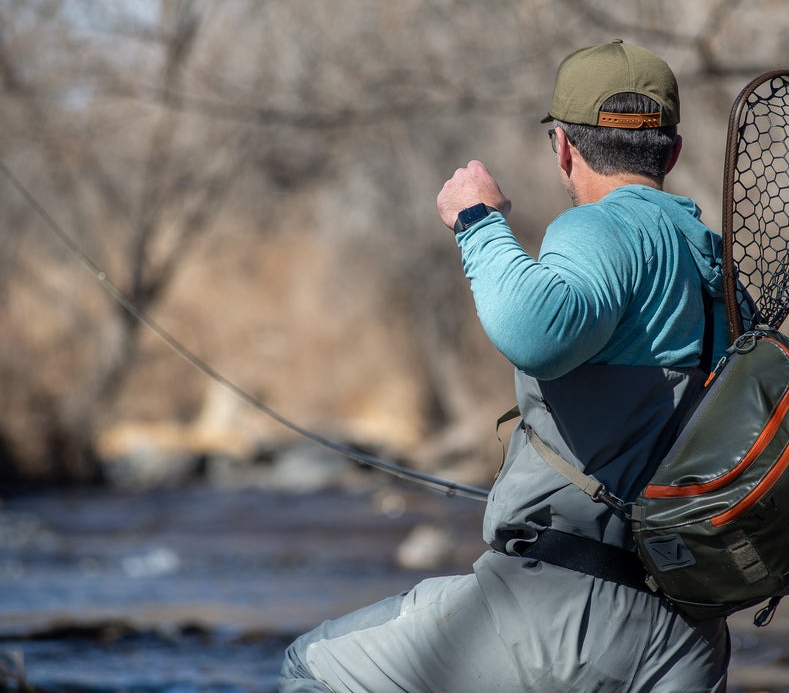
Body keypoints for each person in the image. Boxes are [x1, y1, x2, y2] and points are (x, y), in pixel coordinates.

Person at [279, 40, 749, 693]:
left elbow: (537, 332)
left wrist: (477, 221)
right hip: (690, 636)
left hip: (561, 617)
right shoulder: (721, 275)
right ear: (671, 152)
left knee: (311, 667)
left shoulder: (602, 228)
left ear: (564, 147)